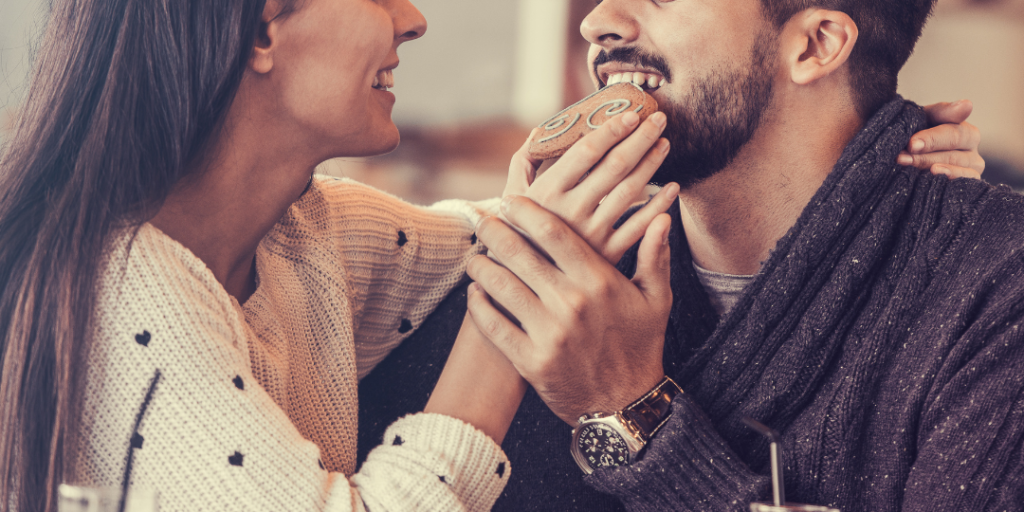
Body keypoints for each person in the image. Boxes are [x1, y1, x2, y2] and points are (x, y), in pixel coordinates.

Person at [0, 1, 981, 512]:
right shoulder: (130, 282)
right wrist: (579, 377)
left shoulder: (304, 241)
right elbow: (517, 261)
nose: (414, 15)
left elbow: (505, 234)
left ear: (818, 43)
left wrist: (866, 173)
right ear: (261, 27)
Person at [357, 1, 1016, 511]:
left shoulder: (996, 289)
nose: (597, 21)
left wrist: (630, 409)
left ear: (816, 44)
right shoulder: (517, 273)